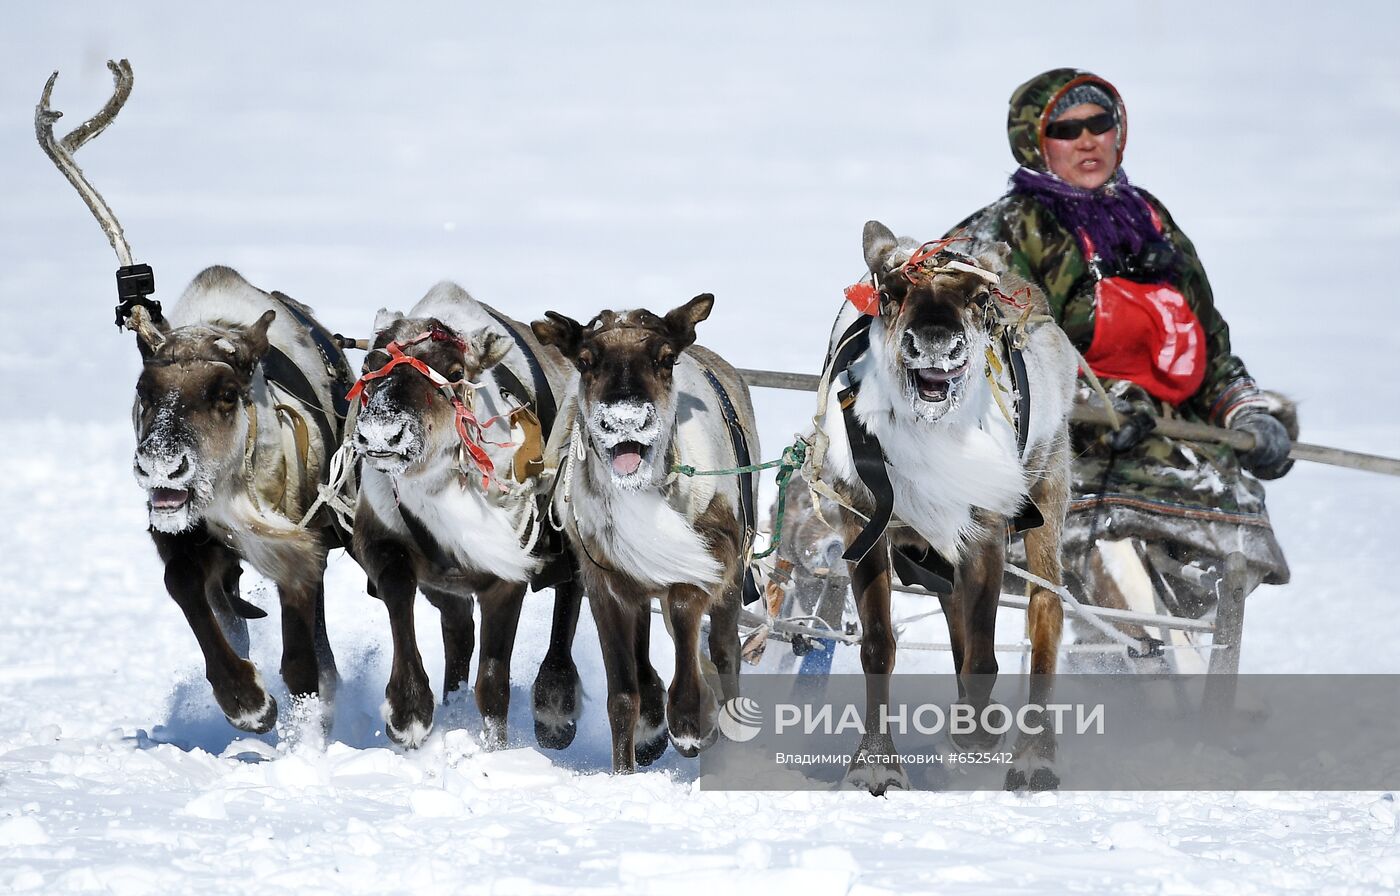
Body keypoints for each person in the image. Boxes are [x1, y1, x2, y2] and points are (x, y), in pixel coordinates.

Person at [950, 69, 1295, 664]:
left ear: (1120, 131)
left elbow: (1207, 344)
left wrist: (1247, 409)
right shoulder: (1009, 230)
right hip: (1054, 439)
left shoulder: (1153, 221)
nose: (1088, 140)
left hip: (1165, 436)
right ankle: (1120, 669)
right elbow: (1013, 348)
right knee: (1105, 529)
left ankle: (1186, 673)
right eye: (1066, 128)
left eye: (1100, 123)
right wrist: (1101, 400)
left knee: (1221, 518)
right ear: (1036, 141)